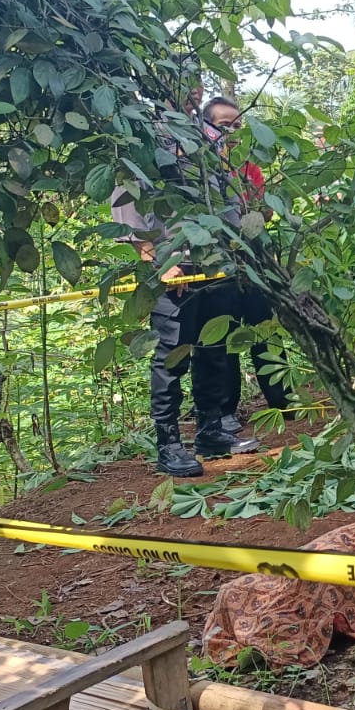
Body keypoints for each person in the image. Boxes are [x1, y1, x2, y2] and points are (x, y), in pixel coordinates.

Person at [111, 88, 258, 478]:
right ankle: (169, 443)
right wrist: (156, 260)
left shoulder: (206, 136)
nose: (189, 93)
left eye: (194, 85)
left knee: (214, 349)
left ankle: (212, 431)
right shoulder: (144, 134)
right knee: (172, 357)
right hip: (174, 269)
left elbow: (227, 196)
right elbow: (128, 198)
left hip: (216, 263)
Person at [200, 96, 291, 424]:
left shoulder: (250, 167)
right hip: (215, 264)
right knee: (222, 336)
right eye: (225, 125)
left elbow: (263, 213)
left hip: (252, 261)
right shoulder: (201, 168)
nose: (233, 132)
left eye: (238, 125)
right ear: (207, 128)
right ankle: (226, 410)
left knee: (265, 328)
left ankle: (282, 399)